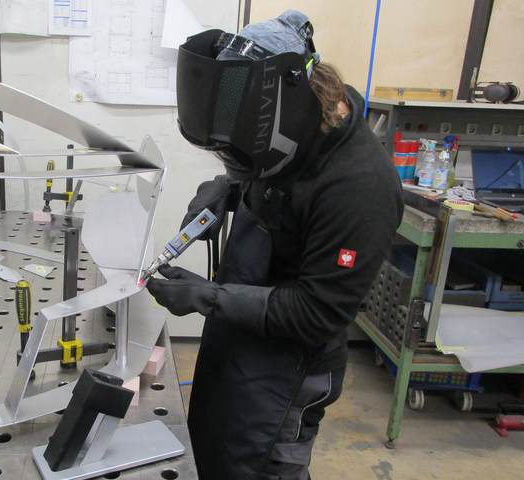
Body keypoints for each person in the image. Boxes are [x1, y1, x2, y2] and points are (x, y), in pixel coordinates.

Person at [145, 10, 404, 480]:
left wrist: (208, 296)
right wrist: (228, 188)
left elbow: (318, 312)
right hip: (238, 340)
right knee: (210, 456)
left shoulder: (360, 186)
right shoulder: (289, 133)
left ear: (293, 103)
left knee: (260, 470)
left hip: (290, 372)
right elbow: (263, 166)